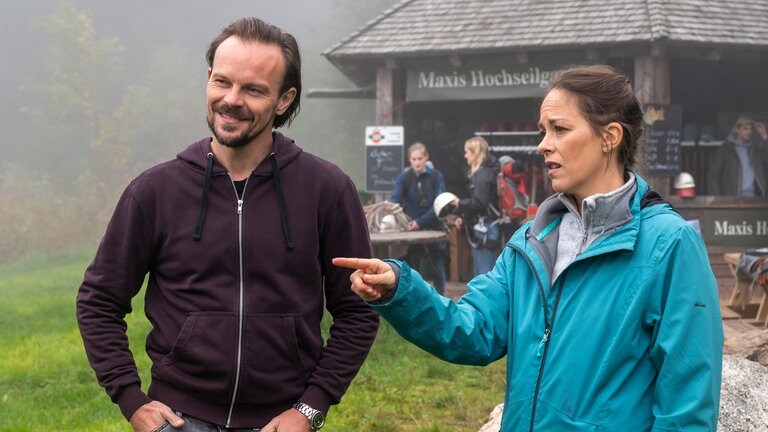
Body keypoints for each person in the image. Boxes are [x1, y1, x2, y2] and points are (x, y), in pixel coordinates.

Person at [334, 65, 723, 431]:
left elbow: (687, 403)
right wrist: (401, 287)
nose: (542, 145)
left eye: (559, 129)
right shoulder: (531, 239)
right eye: (542, 130)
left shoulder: (669, 244)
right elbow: (472, 330)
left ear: (610, 136)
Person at [76, 17, 379, 432]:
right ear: (208, 79)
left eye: (253, 89)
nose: (231, 100)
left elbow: (358, 311)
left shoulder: (327, 190)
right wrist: (132, 400)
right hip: (178, 419)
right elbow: (99, 301)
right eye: (222, 82)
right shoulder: (154, 191)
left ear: (285, 99)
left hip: (282, 420)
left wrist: (312, 407)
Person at [389, 142, 447, 294]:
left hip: (434, 229)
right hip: (412, 233)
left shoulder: (436, 176)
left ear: (426, 158)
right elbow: (395, 199)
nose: (417, 162)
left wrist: (420, 223)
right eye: (413, 159)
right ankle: (418, 304)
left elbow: (439, 205)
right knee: (416, 271)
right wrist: (391, 207)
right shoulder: (405, 177)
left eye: (420, 158)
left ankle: (442, 304)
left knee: (438, 270)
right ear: (410, 160)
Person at [451, 136, 501, 276]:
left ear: (475, 153)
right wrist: (464, 217)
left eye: (467, 151)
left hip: (486, 228)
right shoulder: (488, 172)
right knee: (488, 273)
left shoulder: (482, 174)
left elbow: (480, 203)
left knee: (484, 275)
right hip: (489, 226)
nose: (465, 155)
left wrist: (459, 204)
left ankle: (485, 299)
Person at [707, 115, 768, 196]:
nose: (749, 132)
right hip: (732, 198)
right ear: (737, 130)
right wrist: (718, 199)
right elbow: (713, 176)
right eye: (745, 128)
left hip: (754, 196)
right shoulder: (726, 149)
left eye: (750, 129)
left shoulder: (754, 149)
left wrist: (764, 135)